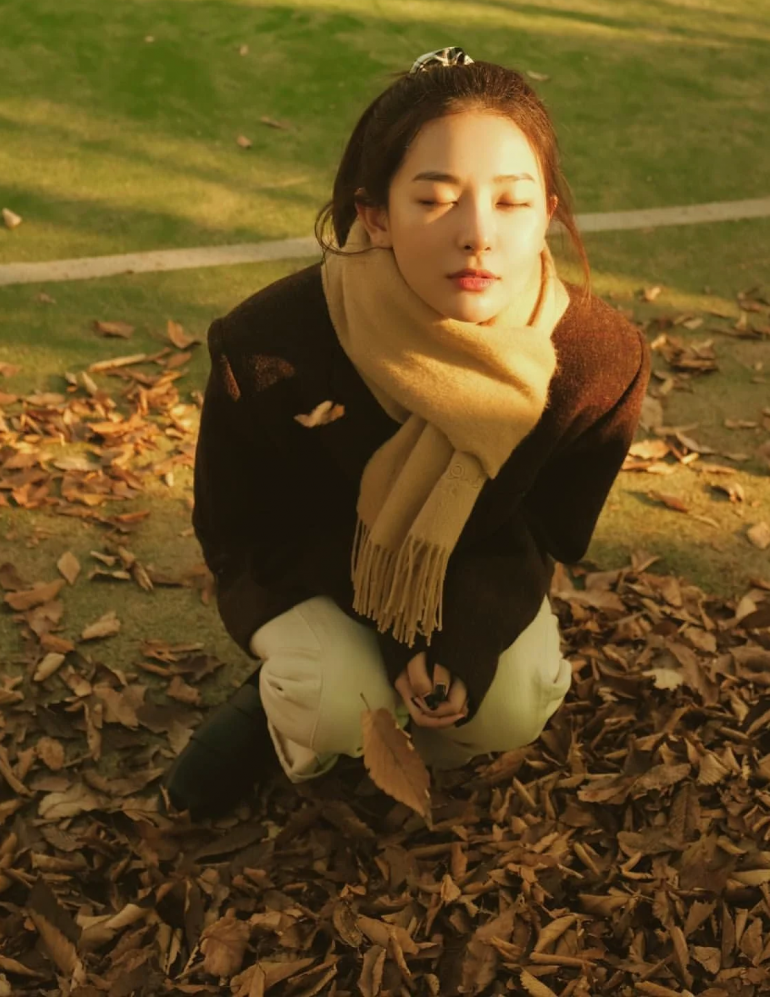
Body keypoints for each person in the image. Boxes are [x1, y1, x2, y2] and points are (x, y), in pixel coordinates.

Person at [162, 47, 651, 821]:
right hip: (314, 573)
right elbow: (242, 532)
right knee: (332, 700)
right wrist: (394, 638)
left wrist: (465, 637)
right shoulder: (268, 345)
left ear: (548, 214)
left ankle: (423, 721)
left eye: (513, 202)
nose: (478, 235)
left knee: (510, 706)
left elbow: (547, 531)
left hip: (478, 579)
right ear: (376, 214)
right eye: (435, 199)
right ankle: (280, 709)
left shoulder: (599, 357)